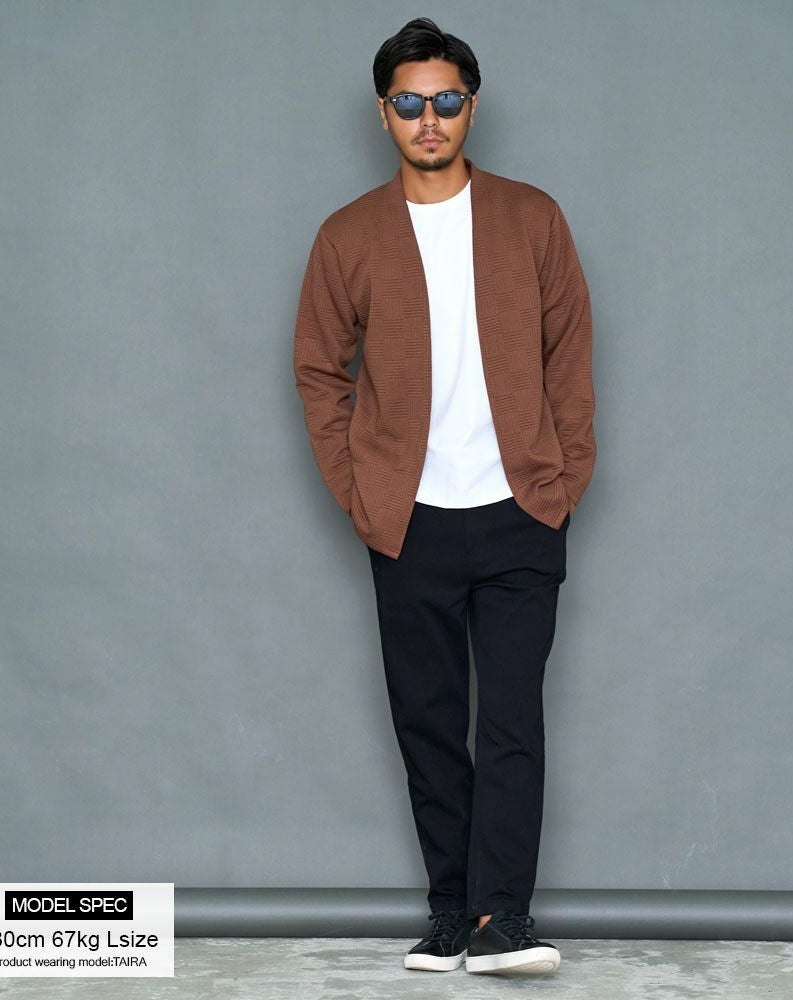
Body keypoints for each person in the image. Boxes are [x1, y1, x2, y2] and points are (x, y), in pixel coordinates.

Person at [293, 16, 596, 977]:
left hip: (520, 511)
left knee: (510, 723)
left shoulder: (532, 217)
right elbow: (318, 370)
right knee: (427, 723)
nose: (430, 118)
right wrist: (362, 491)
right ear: (383, 114)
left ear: (472, 106)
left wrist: (562, 479)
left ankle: (504, 921)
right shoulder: (348, 236)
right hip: (409, 518)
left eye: (448, 100)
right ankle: (450, 912)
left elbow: (570, 356)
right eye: (411, 103)